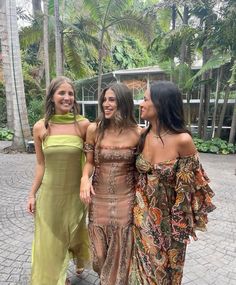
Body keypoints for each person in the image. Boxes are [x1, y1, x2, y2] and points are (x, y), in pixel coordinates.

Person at [128, 81, 216, 285]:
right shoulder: (143, 135)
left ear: (161, 104)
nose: (141, 104)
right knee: (141, 276)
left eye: (145, 99)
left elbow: (188, 191)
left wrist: (178, 231)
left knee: (164, 276)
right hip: (141, 218)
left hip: (170, 226)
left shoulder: (182, 141)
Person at [27, 76, 90, 285]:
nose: (67, 97)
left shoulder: (83, 125)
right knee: (51, 238)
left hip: (75, 194)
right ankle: (58, 277)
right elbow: (40, 165)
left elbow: (92, 160)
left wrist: (85, 181)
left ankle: (79, 260)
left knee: (75, 230)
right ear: (52, 97)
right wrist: (31, 194)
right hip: (50, 195)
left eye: (70, 93)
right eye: (61, 93)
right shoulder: (40, 127)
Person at [80, 82, 141, 285]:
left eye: (111, 100)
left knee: (121, 250)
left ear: (123, 102)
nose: (106, 104)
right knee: (98, 254)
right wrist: (83, 180)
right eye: (104, 100)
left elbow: (141, 169)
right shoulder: (93, 130)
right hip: (99, 200)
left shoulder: (138, 133)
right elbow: (89, 163)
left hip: (126, 200)